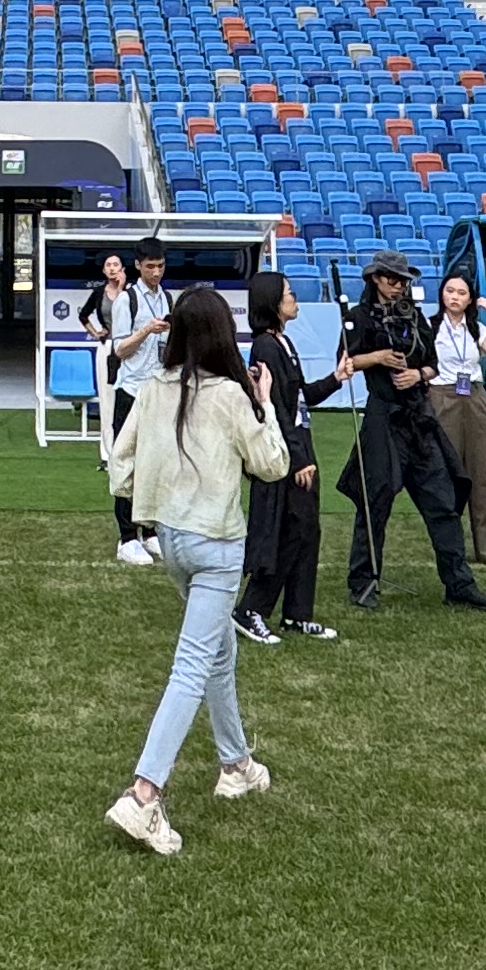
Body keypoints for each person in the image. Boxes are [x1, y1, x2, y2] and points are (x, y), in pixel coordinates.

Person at [100, 286, 288, 855]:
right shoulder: (232, 395)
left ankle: (236, 763)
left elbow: (120, 467)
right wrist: (265, 404)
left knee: (217, 653)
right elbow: (272, 464)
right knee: (192, 664)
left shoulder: (155, 388)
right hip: (216, 544)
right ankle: (144, 793)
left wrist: (153, 492)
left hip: (172, 539)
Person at [334, 252, 486, 612]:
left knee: (443, 503)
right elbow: (345, 362)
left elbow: (433, 365)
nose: (399, 286)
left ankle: (459, 584)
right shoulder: (358, 317)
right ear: (376, 279)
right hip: (383, 418)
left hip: (418, 418)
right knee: (375, 505)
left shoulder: (415, 316)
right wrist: (378, 358)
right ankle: (363, 582)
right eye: (393, 279)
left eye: (403, 280)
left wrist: (417, 374)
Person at [236, 268, 337, 646]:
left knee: (307, 530)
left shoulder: (284, 343)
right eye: (289, 294)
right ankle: (251, 608)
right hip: (284, 451)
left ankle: (298, 612)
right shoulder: (265, 347)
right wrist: (296, 460)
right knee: (286, 531)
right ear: (273, 303)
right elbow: (275, 406)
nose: (294, 299)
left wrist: (337, 378)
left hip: (300, 444)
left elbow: (300, 396)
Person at [429, 269, 486, 571]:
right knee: (448, 473)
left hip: (474, 397)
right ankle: (450, 545)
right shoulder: (430, 326)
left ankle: (485, 546)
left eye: (461, 293)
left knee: (481, 472)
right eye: (450, 291)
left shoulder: (477, 328)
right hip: (441, 396)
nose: (454, 297)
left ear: (470, 299)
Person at [95, 247, 174, 562]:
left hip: (159, 390)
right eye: (150, 266)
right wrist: (146, 331)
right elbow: (120, 349)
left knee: (155, 464)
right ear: (139, 266)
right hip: (131, 391)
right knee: (127, 462)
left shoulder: (167, 298)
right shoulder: (127, 300)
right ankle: (127, 536)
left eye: (161, 266)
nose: (156, 272)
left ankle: (150, 530)